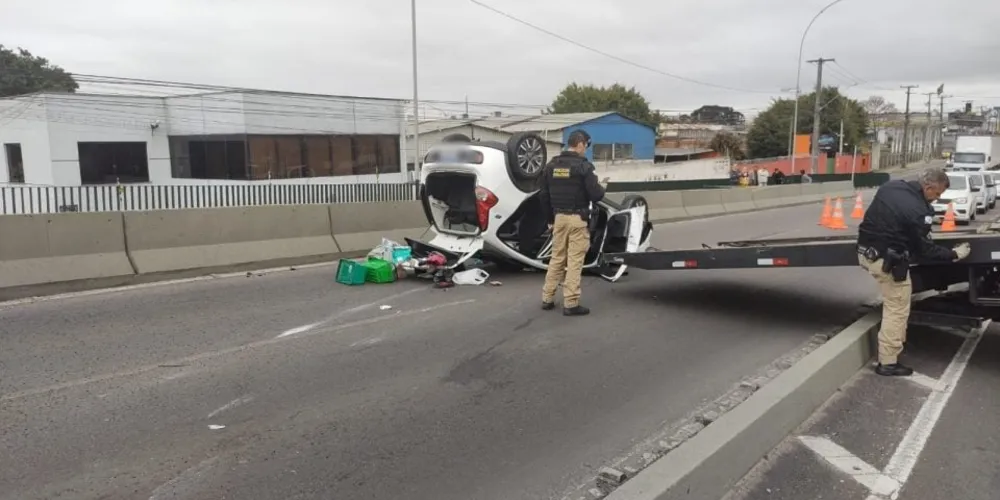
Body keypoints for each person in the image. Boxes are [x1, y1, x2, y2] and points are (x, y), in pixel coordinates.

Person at [856, 167, 971, 376]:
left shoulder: (890, 187)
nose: (937, 198)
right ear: (928, 187)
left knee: (895, 307)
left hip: (865, 252)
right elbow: (926, 251)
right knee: (897, 311)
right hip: (888, 263)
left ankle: (891, 352)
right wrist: (954, 254)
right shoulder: (919, 211)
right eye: (937, 193)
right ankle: (888, 362)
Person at [538, 129, 607, 316]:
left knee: (557, 258)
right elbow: (596, 195)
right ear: (581, 143)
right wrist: (602, 186)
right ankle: (571, 303)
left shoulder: (551, 166)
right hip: (577, 219)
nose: (586, 149)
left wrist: (550, 219)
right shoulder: (584, 167)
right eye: (586, 145)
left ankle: (547, 298)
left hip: (558, 218)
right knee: (575, 261)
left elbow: (543, 195)